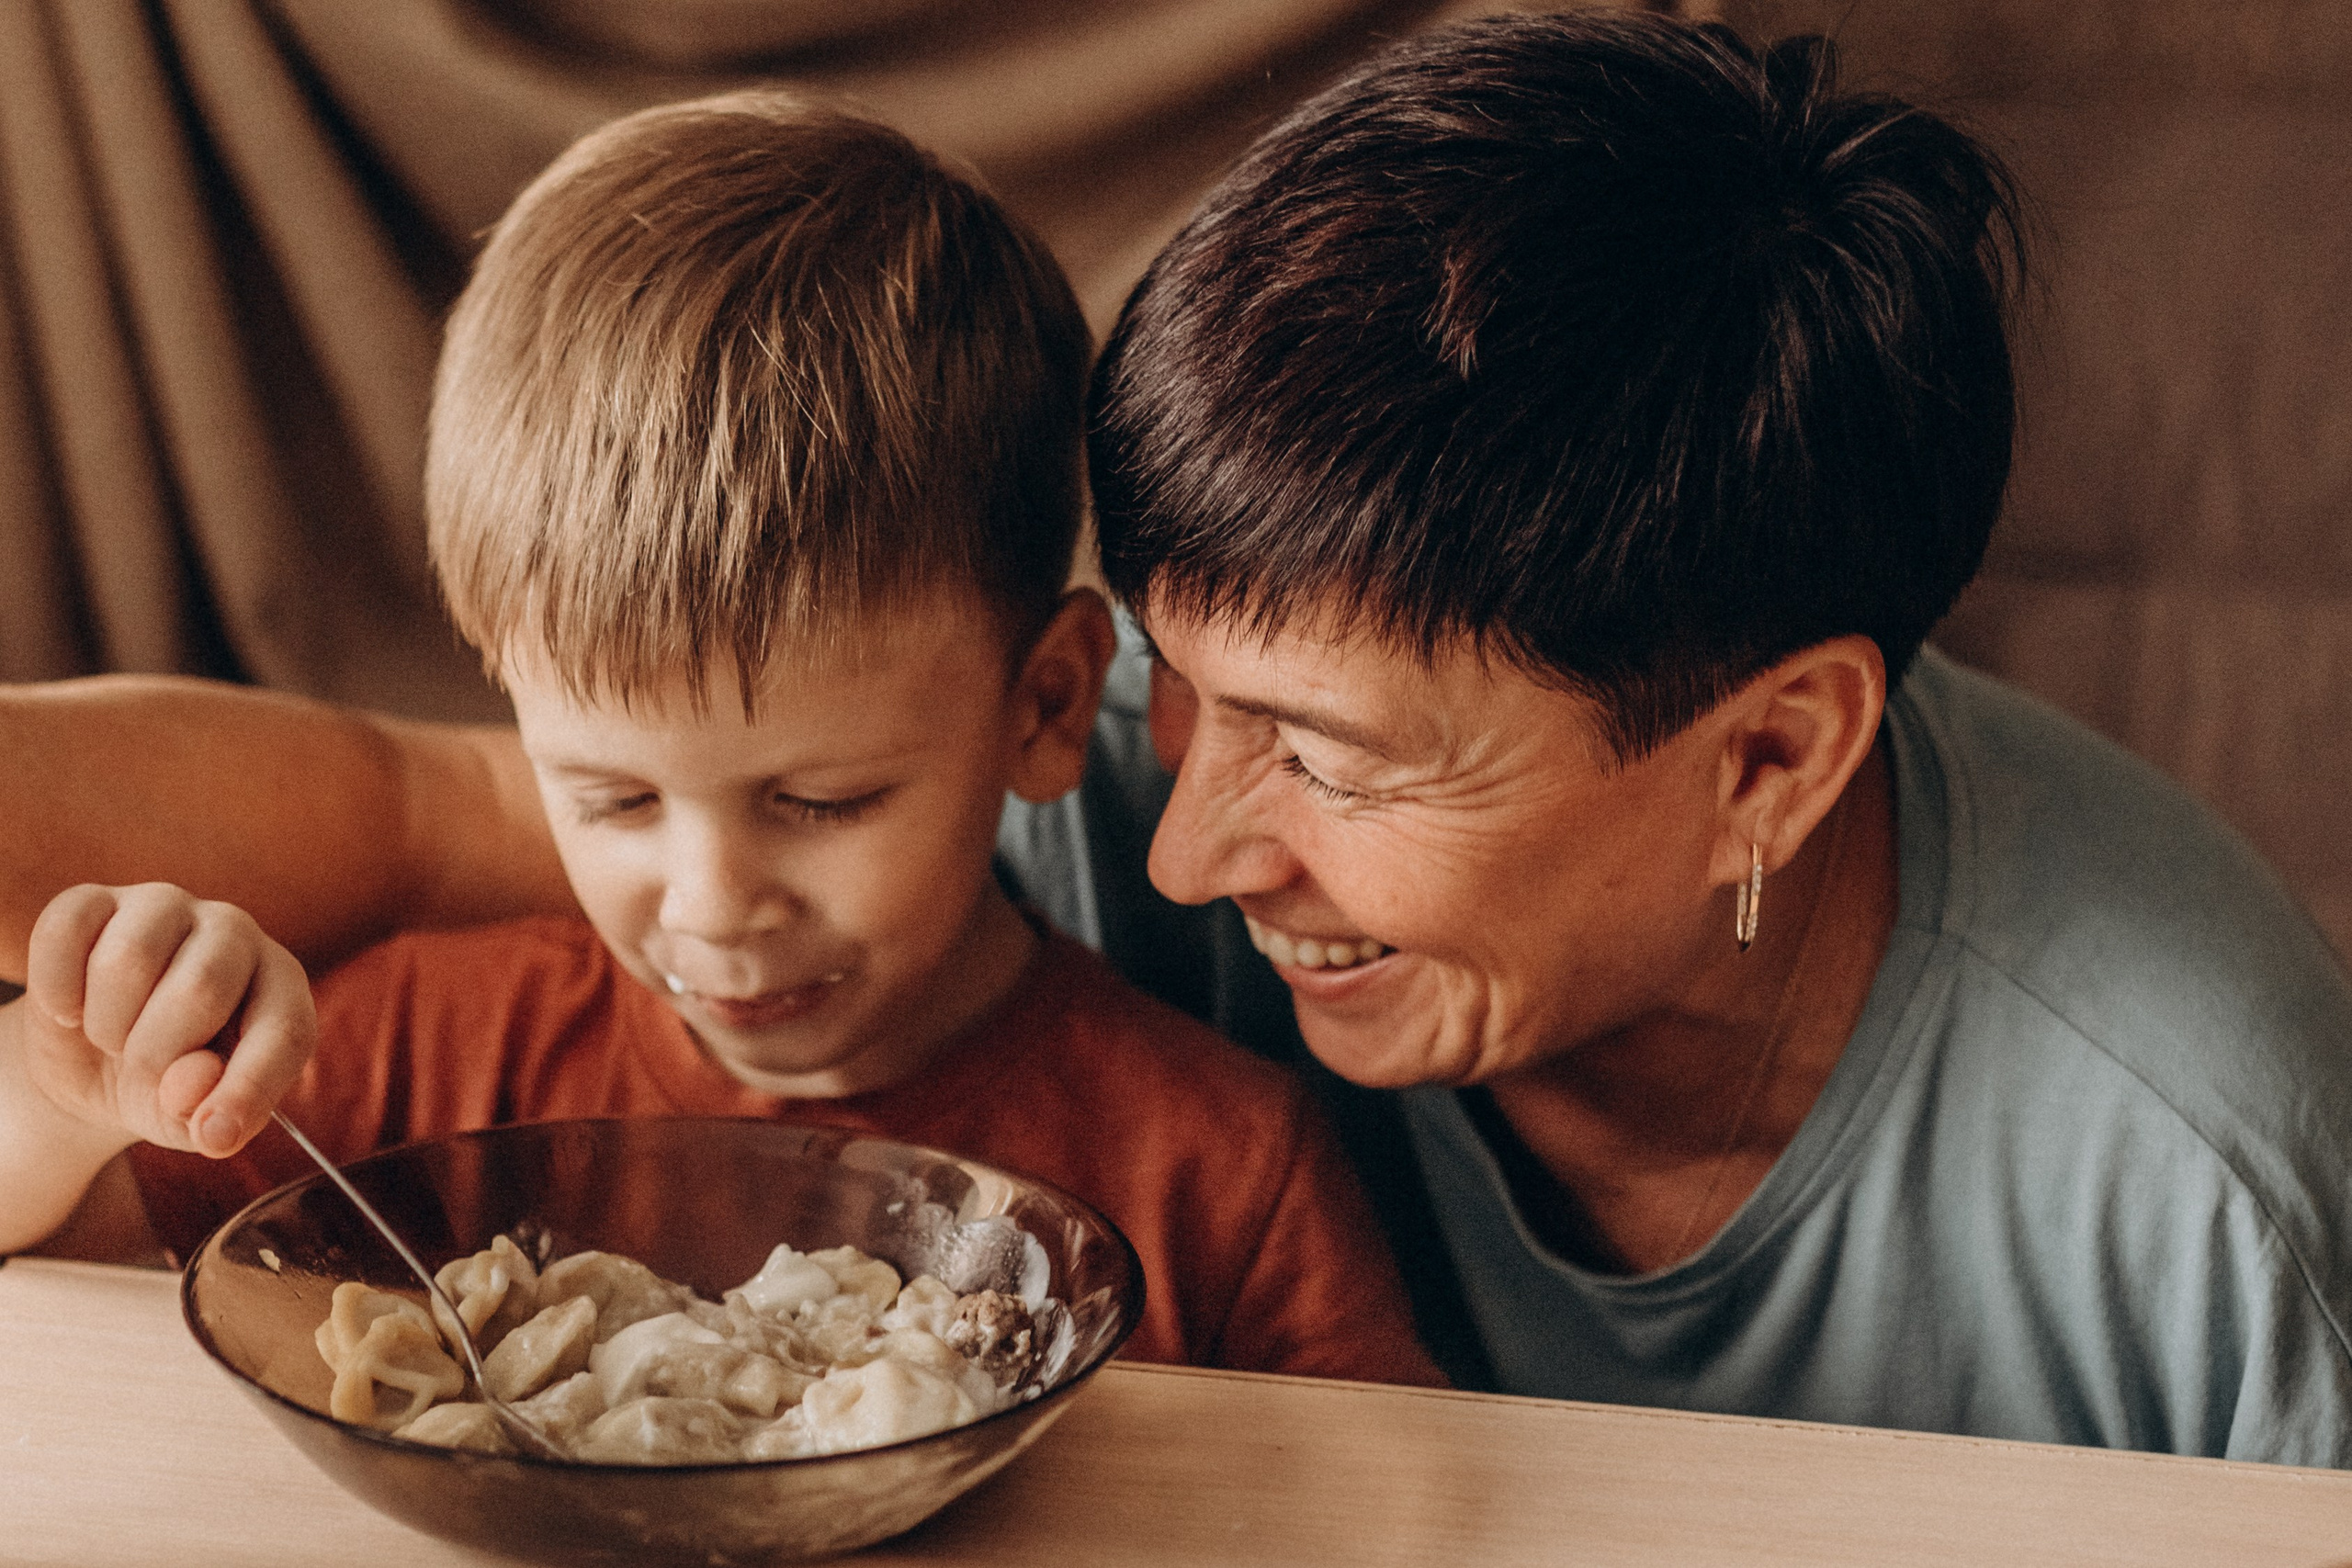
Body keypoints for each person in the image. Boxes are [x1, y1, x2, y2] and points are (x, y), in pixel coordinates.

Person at [5, 13, 2350, 1461]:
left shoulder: (2202, 1191)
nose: (1188, 840)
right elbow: (422, 804)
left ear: (1767, 759)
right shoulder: (1030, 767)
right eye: (1176, 688)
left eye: (1325, 757)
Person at [0, 91, 1444, 1389]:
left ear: (1049, 707)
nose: (710, 907)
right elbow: (56, 1238)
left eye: (821, 801)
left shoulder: (1216, 1174)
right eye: (614, 797)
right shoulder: (425, 1058)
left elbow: (1415, 1520)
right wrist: (75, 1097)